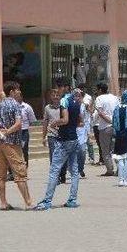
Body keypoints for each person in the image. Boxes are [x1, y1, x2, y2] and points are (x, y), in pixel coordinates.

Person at [34, 79, 83, 210]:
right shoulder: (76, 101)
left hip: (64, 140)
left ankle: (47, 200)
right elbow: (80, 121)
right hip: (74, 138)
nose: (57, 91)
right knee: (74, 171)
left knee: (54, 170)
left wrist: (55, 123)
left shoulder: (64, 101)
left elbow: (65, 120)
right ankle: (72, 199)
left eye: (58, 88)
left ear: (64, 88)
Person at [0, 81, 33, 210]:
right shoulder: (16, 105)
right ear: (11, 92)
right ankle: (28, 202)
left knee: (0, 174)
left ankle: (3, 203)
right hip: (13, 142)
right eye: (17, 90)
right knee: (19, 172)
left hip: (0, 143)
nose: (19, 92)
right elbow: (19, 124)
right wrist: (7, 131)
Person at [42, 88, 67, 184]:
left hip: (63, 134)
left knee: (64, 155)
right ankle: (55, 177)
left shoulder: (64, 107)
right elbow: (45, 122)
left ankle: (62, 174)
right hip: (51, 134)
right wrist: (43, 136)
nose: (56, 97)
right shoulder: (47, 108)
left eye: (57, 95)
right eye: (53, 95)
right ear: (51, 97)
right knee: (53, 156)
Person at [95, 82, 120, 176]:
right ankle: (119, 169)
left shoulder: (99, 98)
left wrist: (110, 121)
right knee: (116, 149)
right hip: (116, 127)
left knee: (105, 150)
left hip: (105, 127)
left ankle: (110, 170)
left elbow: (100, 113)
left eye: (97, 90)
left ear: (100, 90)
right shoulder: (114, 97)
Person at [112, 90, 127, 186]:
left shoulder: (116, 108)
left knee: (120, 158)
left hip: (118, 135)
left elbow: (113, 122)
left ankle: (121, 180)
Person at [76, 85, 93, 178]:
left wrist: (88, 131)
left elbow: (89, 116)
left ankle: (81, 168)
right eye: (76, 96)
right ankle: (75, 170)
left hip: (83, 130)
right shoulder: (70, 106)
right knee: (75, 151)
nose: (78, 98)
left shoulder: (84, 106)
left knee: (82, 150)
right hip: (73, 130)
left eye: (80, 96)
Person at [17, 91, 36, 166]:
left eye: (18, 96)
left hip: (24, 132)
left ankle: (25, 165)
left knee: (24, 149)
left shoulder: (27, 107)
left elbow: (32, 120)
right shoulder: (12, 106)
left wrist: (25, 125)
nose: (17, 97)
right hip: (14, 132)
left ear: (21, 97)